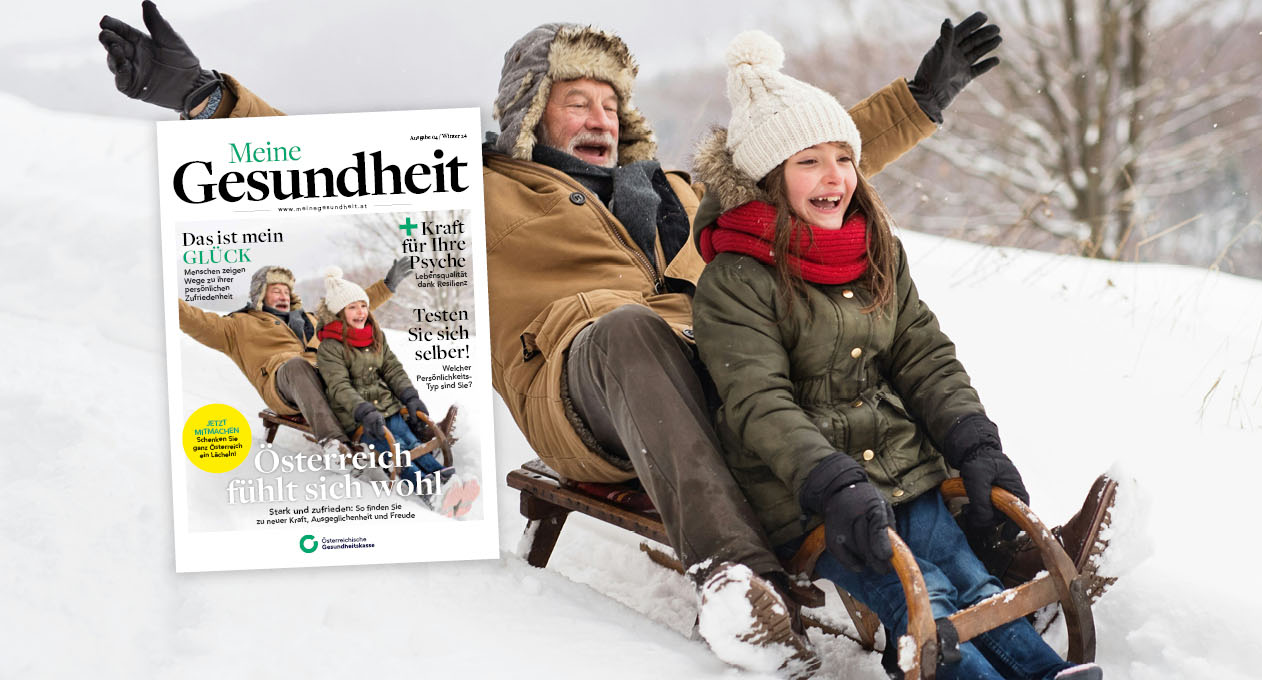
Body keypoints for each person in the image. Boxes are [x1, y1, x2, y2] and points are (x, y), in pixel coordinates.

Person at [100, 3, 1001, 673]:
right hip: (586, 380)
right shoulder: (477, 193)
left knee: (833, 322)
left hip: (716, 368)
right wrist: (207, 99)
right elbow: (327, 164)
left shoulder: (682, 192)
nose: (600, 117)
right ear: (531, 110)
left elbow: (809, 166)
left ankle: (981, 531)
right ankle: (737, 582)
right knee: (630, 332)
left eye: (610, 102)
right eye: (577, 100)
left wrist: (920, 99)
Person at [691, 32, 1100, 680]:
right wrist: (832, 480)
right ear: (768, 179)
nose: (835, 177)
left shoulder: (873, 250)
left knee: (976, 585)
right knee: (927, 603)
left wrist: (973, 442)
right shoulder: (737, 281)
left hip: (906, 477)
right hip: (816, 501)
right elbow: (759, 402)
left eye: (843, 158)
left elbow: (922, 352)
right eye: (808, 163)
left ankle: (1049, 676)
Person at [176, 262, 410, 457]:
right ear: (260, 293)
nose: (284, 296)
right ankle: (334, 444)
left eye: (287, 291)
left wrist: (387, 285)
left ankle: (413, 427)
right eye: (276, 290)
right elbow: (194, 319)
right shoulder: (237, 325)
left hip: (325, 375)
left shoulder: (309, 317)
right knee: (297, 366)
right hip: (283, 383)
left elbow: (349, 308)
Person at [314, 268, 478, 518]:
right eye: (352, 308)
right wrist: (363, 410)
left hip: (388, 408)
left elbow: (392, 369)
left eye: (363, 305)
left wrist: (410, 396)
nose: (360, 312)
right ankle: (428, 491)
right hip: (360, 418)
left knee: (412, 443)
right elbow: (339, 387)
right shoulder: (330, 347)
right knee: (397, 451)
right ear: (338, 313)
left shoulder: (374, 336)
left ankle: (448, 482)